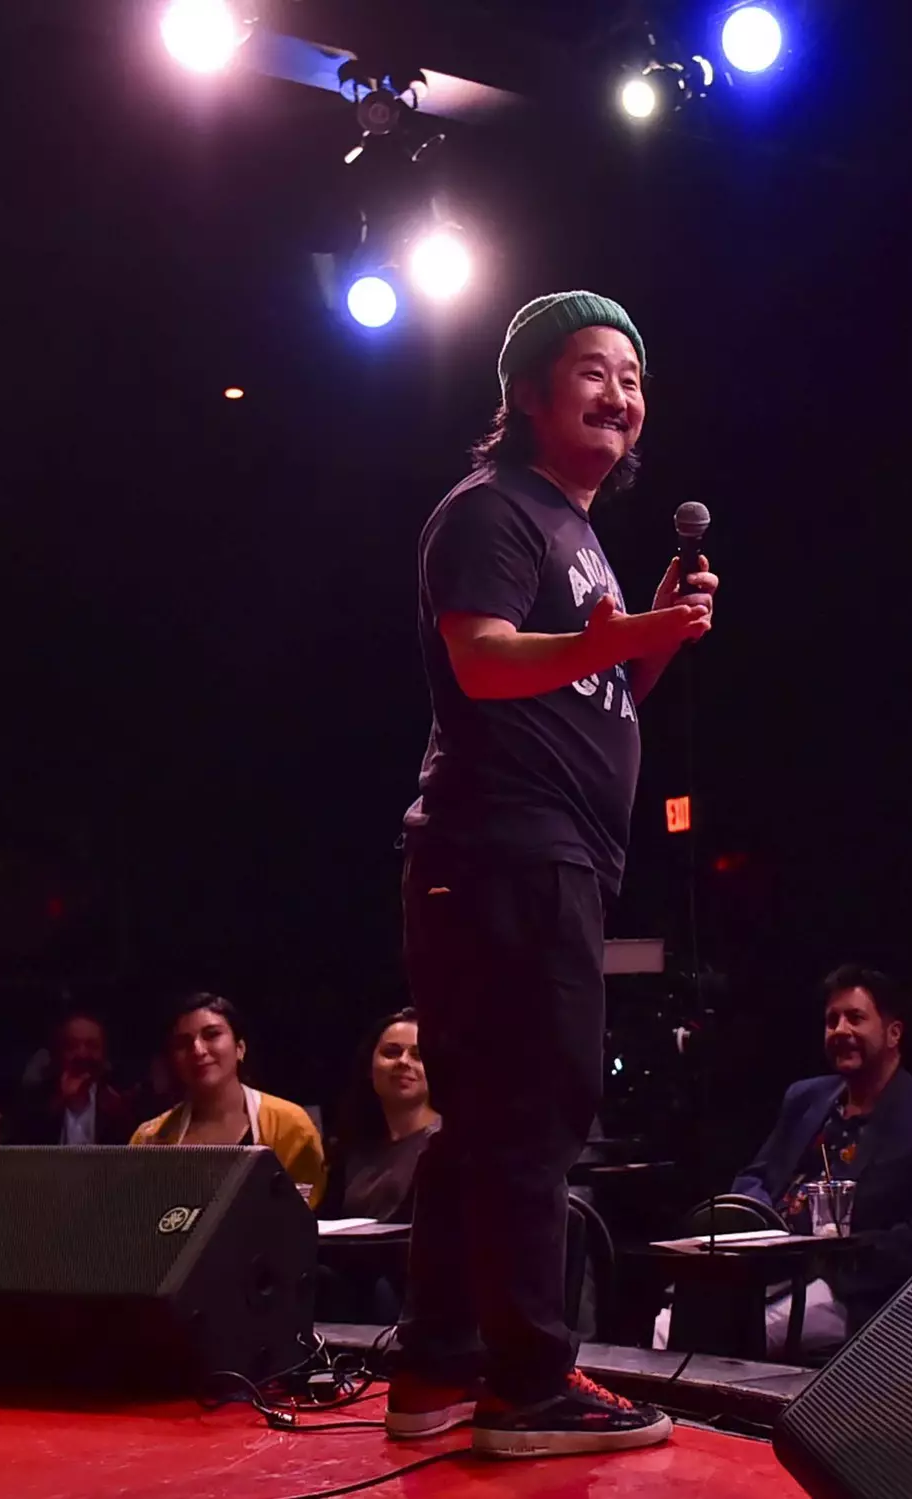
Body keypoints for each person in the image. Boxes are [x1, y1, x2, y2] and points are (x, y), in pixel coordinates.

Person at [390, 292, 716, 1457]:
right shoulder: (493, 511)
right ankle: (528, 1380)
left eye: (631, 376)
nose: (618, 394)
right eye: (590, 369)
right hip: (503, 851)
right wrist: (623, 635)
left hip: (526, 856)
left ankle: (434, 1369)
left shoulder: (574, 532)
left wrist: (651, 642)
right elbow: (482, 665)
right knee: (533, 1109)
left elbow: (591, 695)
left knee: (486, 1120)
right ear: (525, 392)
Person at [708, 966, 912, 1354]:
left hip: (849, 1290)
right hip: (767, 1267)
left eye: (855, 1018)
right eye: (832, 1020)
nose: (840, 1030)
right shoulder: (805, 1098)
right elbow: (756, 1176)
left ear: (894, 1033)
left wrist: (832, 1257)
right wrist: (759, 1227)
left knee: (733, 1334)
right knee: (669, 1324)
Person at [129, 994, 326, 1207]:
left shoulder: (290, 1125)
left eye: (212, 1035)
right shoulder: (150, 1138)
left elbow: (300, 1217)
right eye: (183, 1043)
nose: (198, 1050)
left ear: (239, 1048)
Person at [322, 1008, 441, 1223]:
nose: (403, 1062)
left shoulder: (450, 1145)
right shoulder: (350, 1147)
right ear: (369, 1067)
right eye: (391, 1052)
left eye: (418, 1055)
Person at [2, 1012, 138, 1146]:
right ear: (59, 1052)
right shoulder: (33, 1099)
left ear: (103, 1053)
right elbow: (18, 1148)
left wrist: (117, 1112)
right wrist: (59, 1102)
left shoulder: (120, 1102)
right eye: (72, 1046)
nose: (82, 1054)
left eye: (91, 1046)